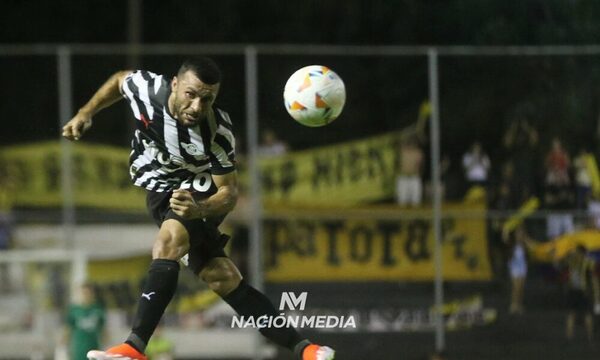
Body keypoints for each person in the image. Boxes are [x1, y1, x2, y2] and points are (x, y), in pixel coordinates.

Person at [62, 58, 334, 360]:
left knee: (168, 242)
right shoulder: (149, 90)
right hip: (159, 189)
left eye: (207, 99)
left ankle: (134, 347)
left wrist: (199, 208)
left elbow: (229, 193)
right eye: (191, 94)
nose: (197, 106)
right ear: (175, 85)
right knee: (222, 277)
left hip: (201, 190)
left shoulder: (217, 133)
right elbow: (119, 80)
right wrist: (85, 113)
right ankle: (308, 349)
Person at [561, 246, 599, 343]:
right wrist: (596, 295)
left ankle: (569, 337)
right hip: (583, 291)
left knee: (571, 314)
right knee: (587, 314)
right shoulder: (587, 262)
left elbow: (564, 272)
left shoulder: (570, 261)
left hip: (572, 291)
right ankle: (590, 337)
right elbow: (593, 277)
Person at [63, 283, 106, 360]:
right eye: (84, 293)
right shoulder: (74, 310)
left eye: (88, 293)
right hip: (79, 349)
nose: (86, 295)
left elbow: (103, 330)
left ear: (92, 294)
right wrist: (64, 345)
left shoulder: (98, 309)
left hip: (94, 347)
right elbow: (68, 329)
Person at [395, 134, 424, 207]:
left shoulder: (418, 153)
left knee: (416, 203)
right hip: (403, 178)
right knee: (401, 203)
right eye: (410, 141)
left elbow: (422, 166)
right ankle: (402, 218)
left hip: (414, 179)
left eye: (413, 142)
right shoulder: (401, 151)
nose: (411, 143)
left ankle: (415, 218)